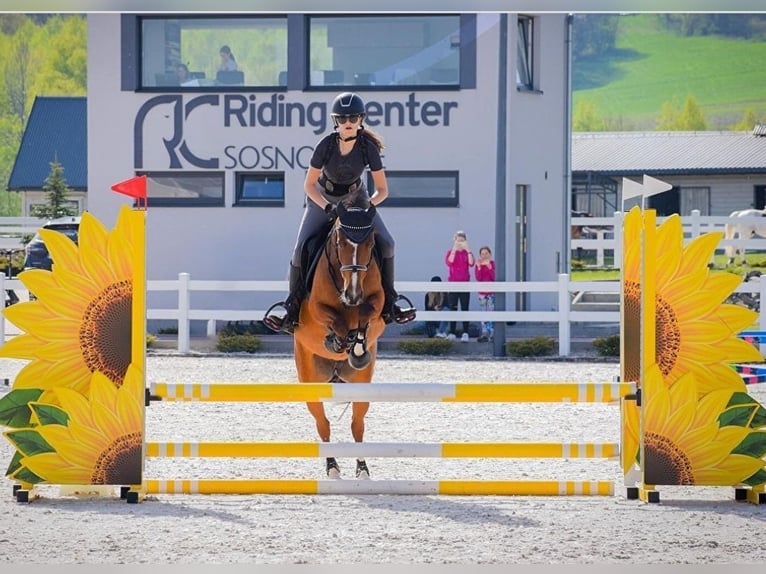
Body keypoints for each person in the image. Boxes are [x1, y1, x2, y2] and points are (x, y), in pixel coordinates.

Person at [263, 91, 417, 334]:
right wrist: (327, 208)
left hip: (358, 198)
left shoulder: (368, 148)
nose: (348, 122)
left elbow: (382, 190)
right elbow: (309, 185)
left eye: (353, 118)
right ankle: (291, 308)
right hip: (322, 198)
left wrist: (365, 209)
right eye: (343, 118)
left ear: (361, 120)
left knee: (387, 242)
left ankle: (390, 303)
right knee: (301, 246)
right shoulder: (325, 145)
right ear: (336, 121)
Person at [445, 230, 474, 342]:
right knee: (453, 307)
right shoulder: (450, 252)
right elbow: (449, 262)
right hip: (453, 283)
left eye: (462, 241)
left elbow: (471, 263)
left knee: (465, 307)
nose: (460, 243)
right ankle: (452, 331)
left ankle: (465, 332)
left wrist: (468, 250)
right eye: (458, 241)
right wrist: (454, 249)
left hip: (465, 283)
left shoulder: (467, 253)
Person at [474, 246, 496, 342]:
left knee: (491, 312)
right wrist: (479, 267)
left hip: (491, 292)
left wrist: (489, 267)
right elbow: (478, 278)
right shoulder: (478, 264)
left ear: (489, 254)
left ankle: (492, 332)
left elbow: (494, 277)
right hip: (482, 292)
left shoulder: (493, 264)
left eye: (486, 253)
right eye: (482, 254)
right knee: (483, 312)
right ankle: (484, 333)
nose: (484, 255)